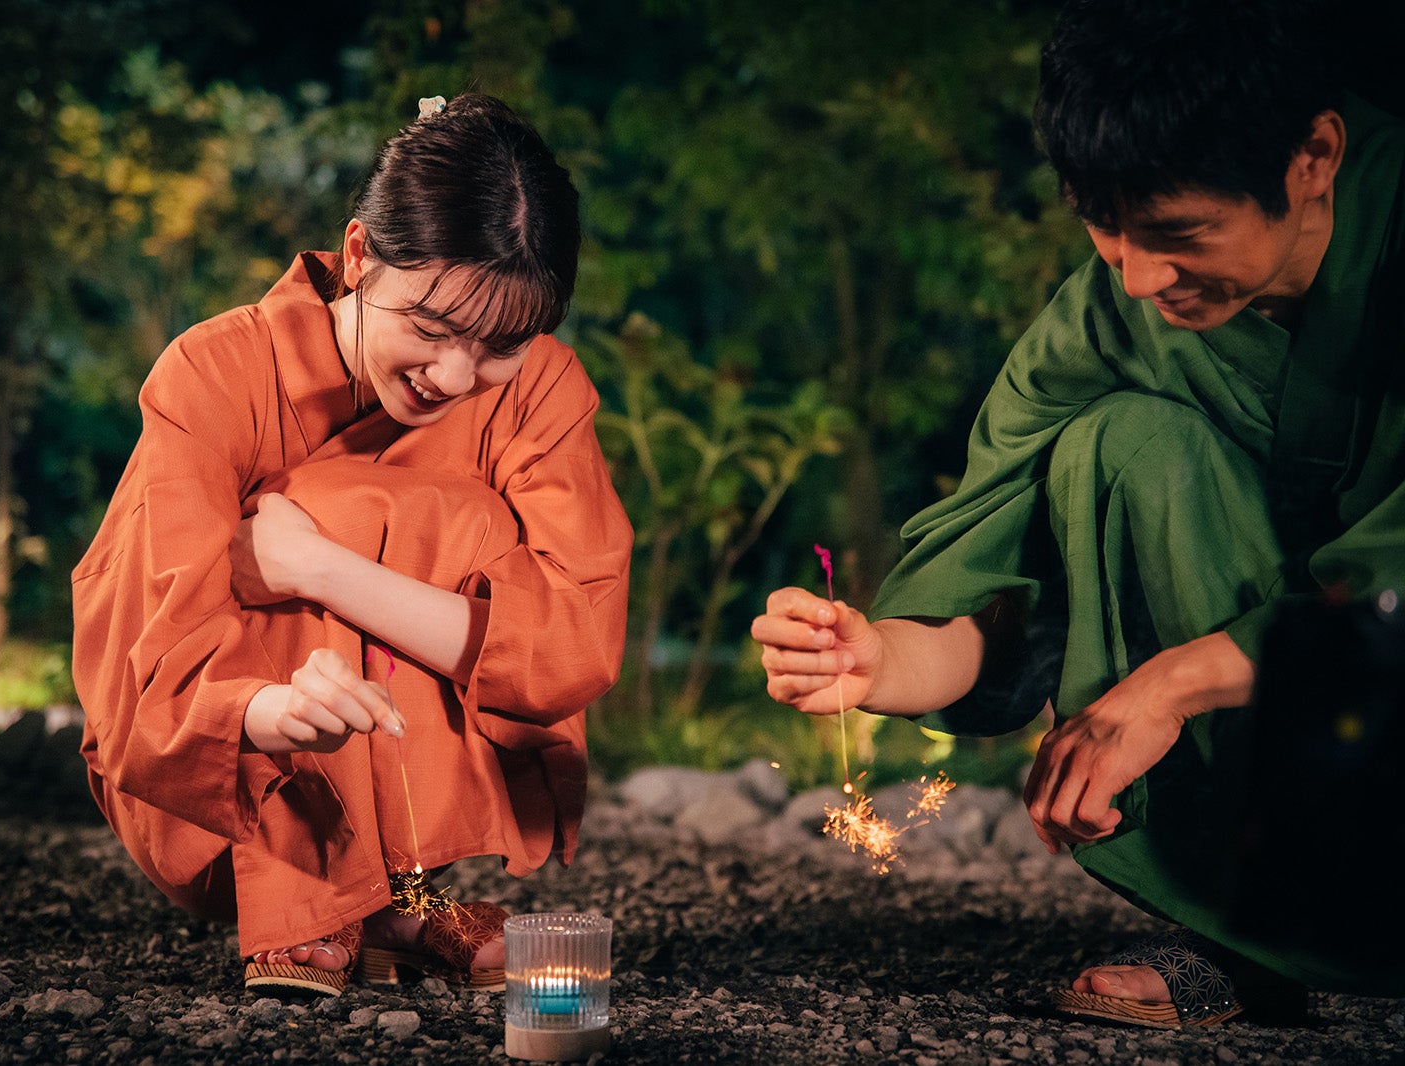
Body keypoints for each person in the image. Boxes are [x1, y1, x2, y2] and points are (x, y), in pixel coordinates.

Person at [753, 0, 1404, 1029]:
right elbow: (993, 575)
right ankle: (1251, 934)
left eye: (1178, 233)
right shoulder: (1104, 323)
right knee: (1118, 442)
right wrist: (876, 660)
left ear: (1313, 157)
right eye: (1106, 229)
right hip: (1304, 770)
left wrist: (1173, 686)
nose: (1139, 278)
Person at [71, 92, 633, 999]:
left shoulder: (541, 391)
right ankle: (306, 896)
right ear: (362, 255)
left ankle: (399, 902)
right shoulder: (213, 373)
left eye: (501, 345)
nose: (455, 376)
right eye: (430, 329)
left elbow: (576, 640)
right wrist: (267, 712)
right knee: (340, 500)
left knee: (452, 520)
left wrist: (319, 567)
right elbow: (145, 652)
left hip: (428, 793)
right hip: (218, 782)